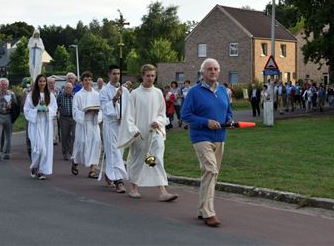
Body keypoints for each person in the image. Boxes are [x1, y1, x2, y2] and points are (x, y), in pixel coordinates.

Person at [181, 58, 233, 227]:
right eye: (209, 69)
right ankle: (209, 213)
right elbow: (185, 116)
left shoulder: (224, 90)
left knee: (210, 174)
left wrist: (229, 120)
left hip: (219, 137)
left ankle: (202, 208)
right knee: (211, 169)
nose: (213, 72)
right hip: (201, 136)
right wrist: (206, 122)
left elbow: (228, 111)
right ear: (202, 72)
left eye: (216, 69)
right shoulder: (194, 92)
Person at [118, 64, 178, 202]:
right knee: (140, 160)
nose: (150, 78)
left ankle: (163, 191)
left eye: (153, 76)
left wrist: (158, 121)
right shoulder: (135, 94)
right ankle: (134, 187)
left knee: (156, 160)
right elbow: (128, 116)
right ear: (142, 76)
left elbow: (162, 114)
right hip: (140, 135)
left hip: (155, 133)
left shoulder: (157, 93)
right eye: (148, 76)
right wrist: (133, 130)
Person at [99, 65, 129, 193]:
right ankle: (119, 181)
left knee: (119, 152)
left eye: (118, 73)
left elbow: (128, 107)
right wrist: (116, 98)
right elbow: (105, 109)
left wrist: (125, 117)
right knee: (114, 152)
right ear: (109, 75)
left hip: (121, 126)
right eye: (114, 73)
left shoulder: (125, 91)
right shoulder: (104, 91)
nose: (117, 76)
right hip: (110, 125)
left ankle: (109, 172)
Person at [24, 74, 57, 180]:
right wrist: (36, 110)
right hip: (35, 124)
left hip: (46, 124)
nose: (42, 83)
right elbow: (26, 110)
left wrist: (48, 110)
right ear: (37, 83)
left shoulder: (50, 95)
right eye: (40, 81)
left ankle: (41, 170)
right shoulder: (30, 95)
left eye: (44, 81)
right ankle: (35, 166)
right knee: (38, 148)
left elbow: (54, 108)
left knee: (45, 149)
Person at [71, 71, 102, 178]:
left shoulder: (97, 95)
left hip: (93, 123)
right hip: (83, 123)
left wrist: (97, 114)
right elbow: (74, 111)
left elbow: (102, 109)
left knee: (96, 143)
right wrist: (84, 113)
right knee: (81, 144)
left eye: (89, 79)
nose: (88, 82)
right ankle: (75, 162)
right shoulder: (78, 95)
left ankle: (92, 170)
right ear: (82, 82)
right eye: (85, 80)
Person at [0, 78, 17, 161]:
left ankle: (7, 153)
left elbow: (16, 106)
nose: (4, 86)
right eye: (2, 84)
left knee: (8, 136)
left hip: (8, 116)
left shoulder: (11, 94)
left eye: (6, 85)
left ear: (8, 85)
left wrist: (11, 106)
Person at [57, 82, 76, 160]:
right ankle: (65, 152)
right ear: (64, 89)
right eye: (67, 88)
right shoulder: (61, 96)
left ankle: (72, 152)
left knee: (74, 136)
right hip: (64, 118)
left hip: (74, 118)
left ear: (72, 89)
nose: (68, 89)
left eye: (70, 88)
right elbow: (57, 105)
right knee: (65, 136)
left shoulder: (75, 96)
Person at [47, 77, 60, 146]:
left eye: (53, 83)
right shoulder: (46, 91)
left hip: (57, 111)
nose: (52, 84)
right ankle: (52, 139)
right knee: (52, 125)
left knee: (56, 126)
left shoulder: (58, 90)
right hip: (50, 111)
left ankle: (56, 139)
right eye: (50, 83)